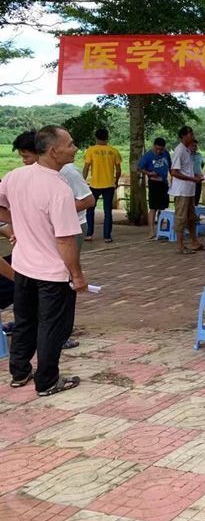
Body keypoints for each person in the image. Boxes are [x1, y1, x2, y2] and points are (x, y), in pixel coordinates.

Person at [0, 126, 87, 396]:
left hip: (23, 266)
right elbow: (65, 239)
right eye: (70, 144)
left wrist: (20, 224)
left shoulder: (15, 176)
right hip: (51, 272)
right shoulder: (58, 189)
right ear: (53, 151)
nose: (75, 148)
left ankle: (19, 372)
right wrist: (77, 274)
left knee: (25, 320)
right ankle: (47, 380)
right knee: (52, 325)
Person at [13, 131, 94, 349]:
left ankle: (57, 336)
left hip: (66, 235)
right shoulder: (20, 176)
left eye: (27, 156)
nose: (26, 161)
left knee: (56, 297)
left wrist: (58, 212)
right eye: (24, 158)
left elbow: (87, 201)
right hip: (36, 257)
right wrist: (20, 223)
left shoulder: (65, 176)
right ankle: (40, 372)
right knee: (37, 312)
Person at [82, 128, 122, 243]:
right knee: (108, 212)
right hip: (109, 185)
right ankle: (107, 236)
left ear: (96, 137)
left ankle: (89, 234)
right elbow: (118, 170)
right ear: (107, 137)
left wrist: (83, 181)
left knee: (90, 210)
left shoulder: (91, 150)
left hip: (94, 185)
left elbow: (86, 167)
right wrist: (116, 181)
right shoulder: (113, 151)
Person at [170, 125, 204, 255]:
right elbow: (174, 172)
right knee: (181, 217)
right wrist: (191, 179)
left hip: (189, 189)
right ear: (184, 136)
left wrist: (195, 177)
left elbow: (186, 170)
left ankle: (194, 242)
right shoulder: (179, 151)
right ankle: (179, 245)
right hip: (182, 190)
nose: (193, 137)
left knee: (191, 217)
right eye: (190, 134)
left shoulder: (188, 151)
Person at [139, 137, 172, 239]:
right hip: (154, 183)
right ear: (154, 146)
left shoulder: (166, 154)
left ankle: (160, 230)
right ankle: (151, 231)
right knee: (153, 207)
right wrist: (149, 173)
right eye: (157, 149)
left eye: (161, 149)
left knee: (162, 208)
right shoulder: (148, 156)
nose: (159, 151)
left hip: (164, 182)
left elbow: (170, 167)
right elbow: (139, 168)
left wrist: (172, 179)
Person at [191, 141, 205, 206]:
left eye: (196, 146)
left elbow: (202, 164)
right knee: (190, 198)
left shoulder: (199, 155)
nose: (195, 147)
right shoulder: (187, 155)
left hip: (199, 179)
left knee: (197, 196)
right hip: (190, 179)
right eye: (193, 145)